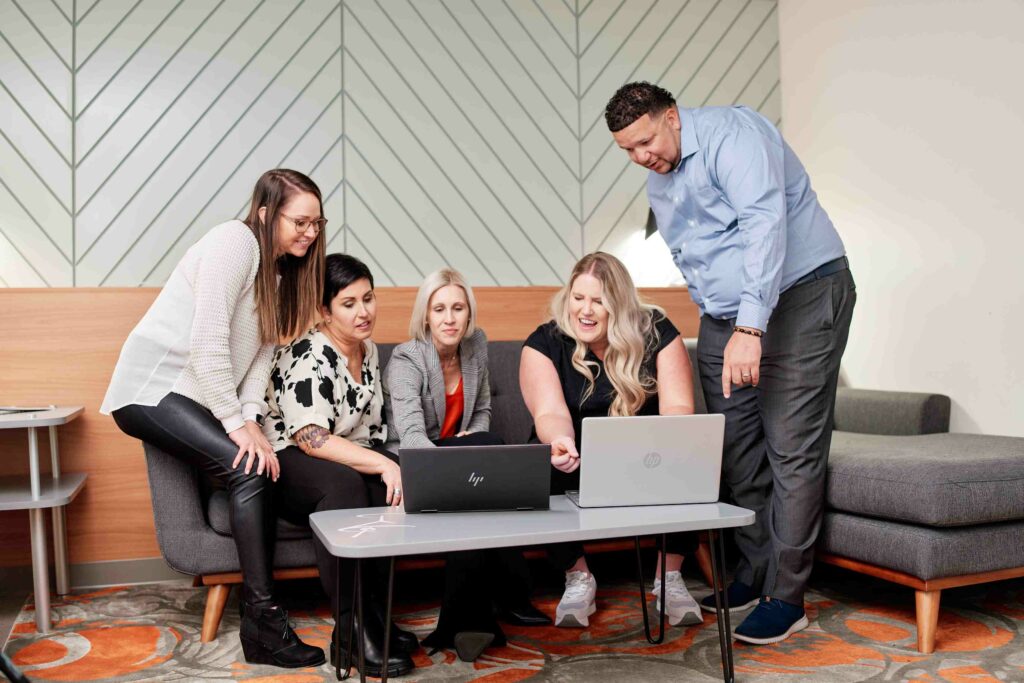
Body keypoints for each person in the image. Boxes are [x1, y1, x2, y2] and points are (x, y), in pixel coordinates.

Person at [605, 81, 856, 644]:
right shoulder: (659, 180)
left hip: (801, 293)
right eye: (628, 150)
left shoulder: (733, 137)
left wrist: (750, 327)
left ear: (672, 117)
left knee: (791, 447)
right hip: (726, 315)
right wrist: (722, 318)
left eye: (645, 140)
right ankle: (754, 571)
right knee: (737, 446)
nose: (641, 156)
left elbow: (765, 226)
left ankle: (786, 596)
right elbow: (694, 253)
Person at [102, 169, 326, 668]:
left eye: (317, 223)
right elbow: (206, 343)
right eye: (300, 222)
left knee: (260, 463)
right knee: (247, 464)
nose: (310, 233)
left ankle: (261, 622)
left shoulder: (282, 275)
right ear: (267, 214)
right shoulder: (234, 242)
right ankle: (265, 622)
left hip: (199, 395)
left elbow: (261, 360)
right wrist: (236, 424)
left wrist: (250, 417)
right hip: (153, 389)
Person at [520, 252, 701, 629]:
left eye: (598, 301)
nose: (585, 310)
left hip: (645, 456)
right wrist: (561, 442)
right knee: (538, 468)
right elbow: (549, 413)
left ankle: (668, 578)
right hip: (578, 462)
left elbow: (680, 408)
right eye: (578, 297)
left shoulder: (657, 332)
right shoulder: (544, 342)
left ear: (618, 306)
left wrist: (669, 448)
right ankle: (578, 575)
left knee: (693, 452)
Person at [385, 268, 550, 662]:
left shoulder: (475, 345)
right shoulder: (407, 357)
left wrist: (467, 442)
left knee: (487, 452)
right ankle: (508, 597)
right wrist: (457, 458)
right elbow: (410, 435)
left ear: (468, 312)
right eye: (439, 308)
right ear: (425, 315)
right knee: (485, 464)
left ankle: (461, 620)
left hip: (458, 452)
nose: (449, 318)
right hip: (417, 456)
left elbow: (483, 410)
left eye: (458, 308)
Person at [264, 253, 415, 679]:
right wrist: (382, 465)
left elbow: (368, 435)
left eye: (368, 299)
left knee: (391, 484)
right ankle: (349, 631)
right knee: (349, 487)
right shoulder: (309, 353)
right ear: (324, 310)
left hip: (339, 454)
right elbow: (310, 439)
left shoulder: (368, 352)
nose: (363, 311)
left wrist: (389, 466)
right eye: (349, 303)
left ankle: (376, 617)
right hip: (287, 459)